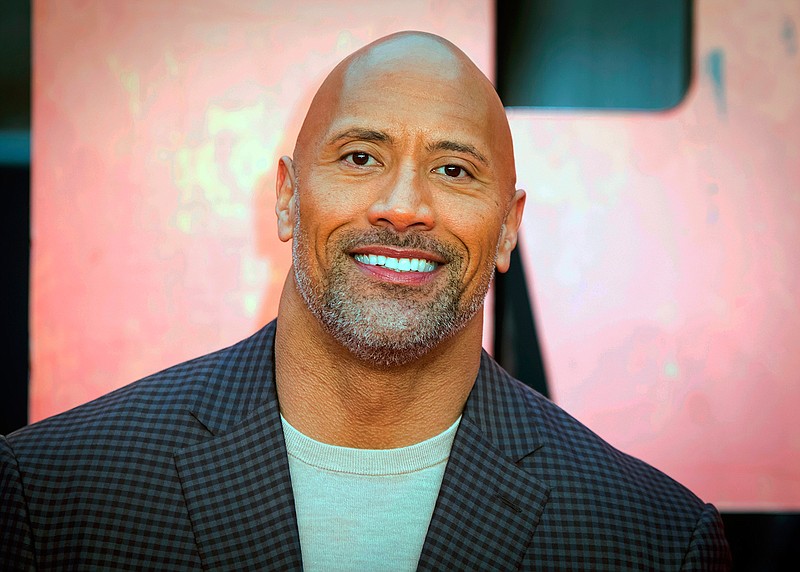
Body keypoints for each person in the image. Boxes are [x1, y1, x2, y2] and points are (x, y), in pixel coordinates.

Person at [1, 32, 730, 571]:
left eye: (453, 168)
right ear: (287, 198)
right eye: (360, 158)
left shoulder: (654, 540)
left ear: (508, 229)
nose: (404, 207)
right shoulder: (51, 490)